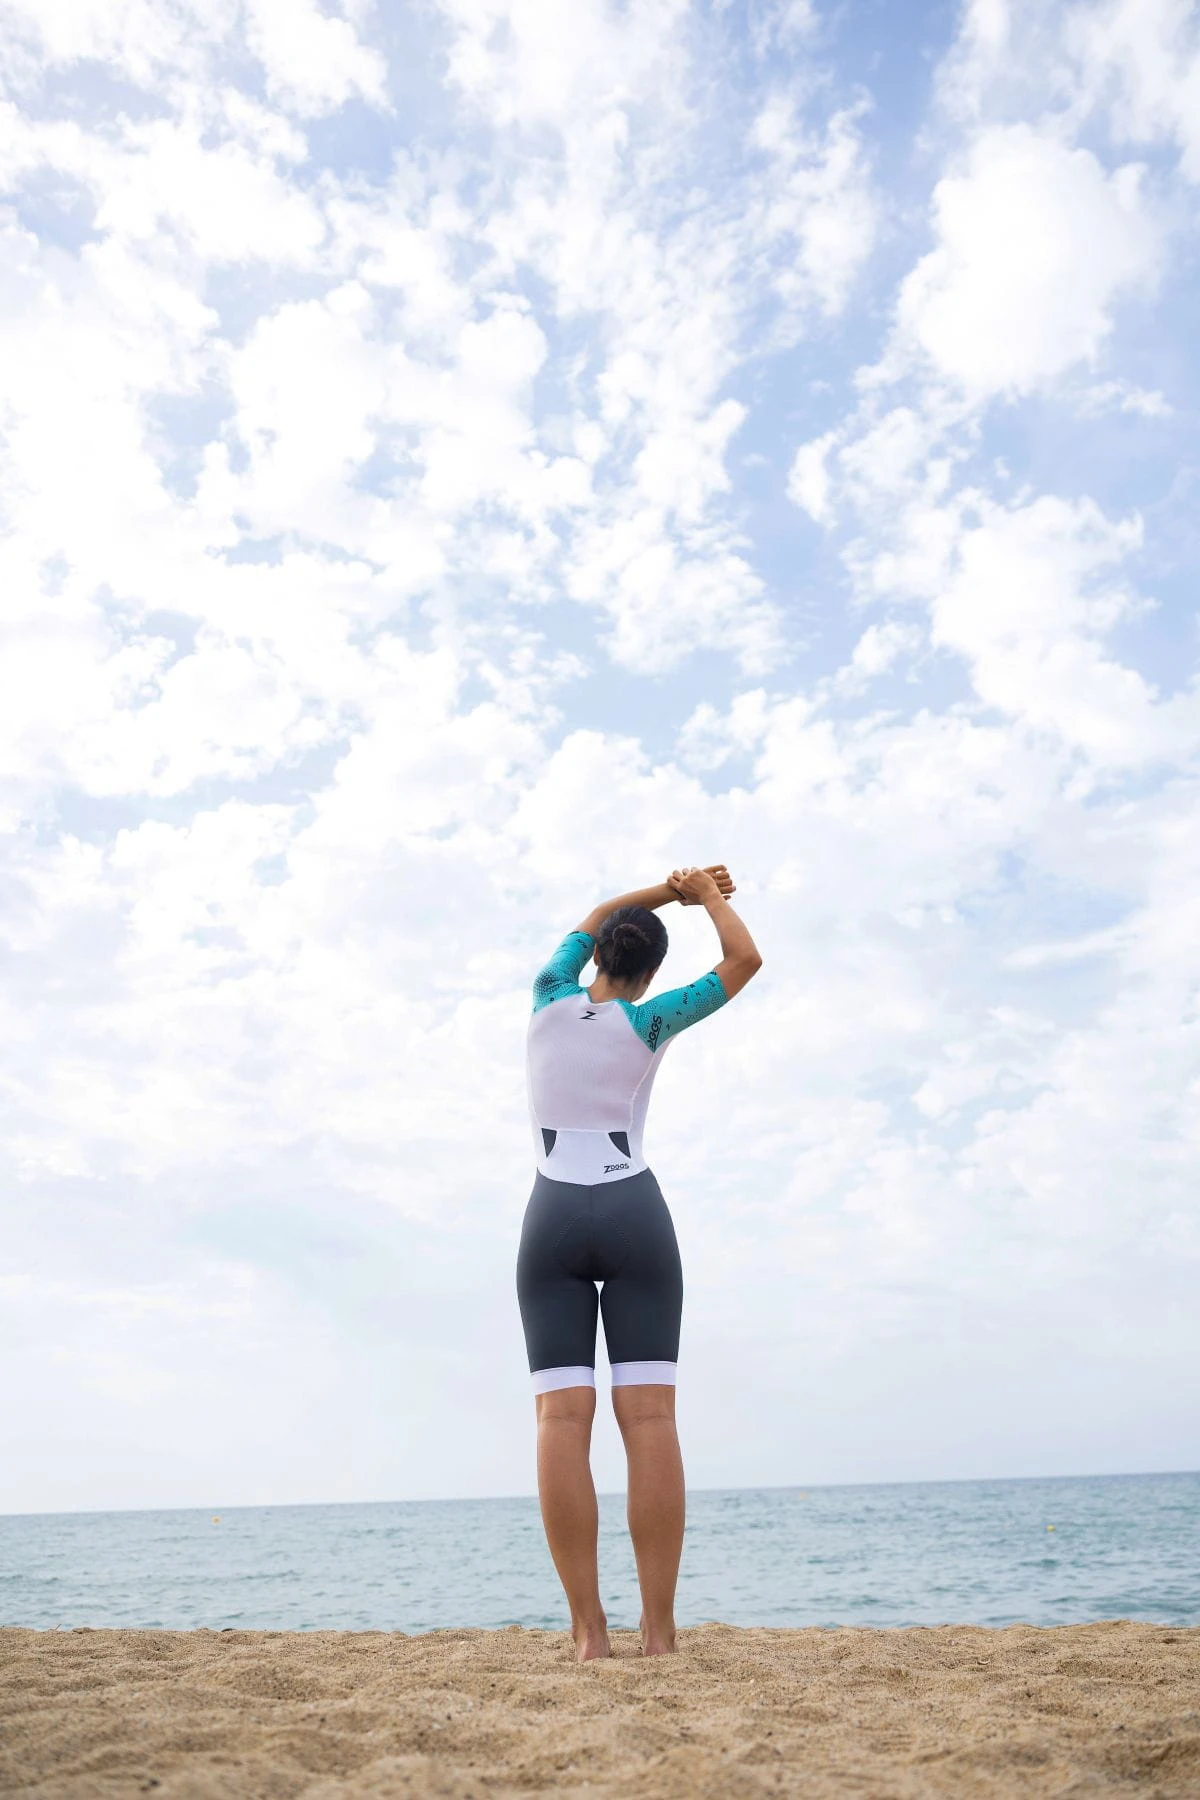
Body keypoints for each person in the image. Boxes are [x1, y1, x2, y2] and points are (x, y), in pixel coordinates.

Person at [517, 865, 762, 1661]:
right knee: (650, 1417)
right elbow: (744, 961)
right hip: (633, 1212)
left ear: (595, 956)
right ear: (651, 971)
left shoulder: (548, 996)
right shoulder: (654, 1019)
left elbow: (595, 912)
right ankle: (658, 1633)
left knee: (561, 1420)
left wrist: (666, 890)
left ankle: (590, 1634)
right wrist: (709, 897)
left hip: (551, 1216)